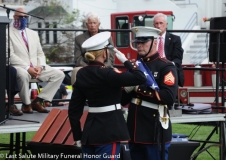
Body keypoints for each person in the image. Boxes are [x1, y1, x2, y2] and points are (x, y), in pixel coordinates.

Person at [68, 31, 146, 159]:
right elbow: (140, 77)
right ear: (104, 53)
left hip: (89, 133)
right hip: (110, 131)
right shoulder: (109, 74)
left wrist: (77, 135)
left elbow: (74, 110)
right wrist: (126, 61)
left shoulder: (81, 74)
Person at [121, 26, 178, 160]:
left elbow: (168, 97)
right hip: (134, 129)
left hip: (154, 130)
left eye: (143, 42)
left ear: (155, 42)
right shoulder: (135, 67)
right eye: (137, 42)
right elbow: (123, 100)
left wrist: (138, 89)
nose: (139, 46)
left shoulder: (166, 66)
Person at [8, 8, 65, 113]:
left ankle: (38, 101)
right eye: (21, 17)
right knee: (22, 74)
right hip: (20, 67)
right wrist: (27, 68)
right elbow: (10, 55)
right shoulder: (7, 32)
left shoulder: (33, 33)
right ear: (14, 17)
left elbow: (40, 53)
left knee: (59, 74)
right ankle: (26, 104)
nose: (24, 19)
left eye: (26, 17)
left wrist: (40, 66)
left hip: (36, 67)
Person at [71, 12, 115, 85]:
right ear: (86, 25)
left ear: (99, 24)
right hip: (86, 66)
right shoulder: (79, 39)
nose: (92, 25)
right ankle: (77, 95)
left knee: (115, 72)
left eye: (94, 23)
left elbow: (111, 57)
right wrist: (89, 67)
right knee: (76, 71)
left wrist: (104, 66)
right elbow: (78, 58)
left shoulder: (107, 37)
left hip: (104, 65)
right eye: (90, 23)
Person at [153, 13, 184, 87]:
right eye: (156, 23)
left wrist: (168, 65)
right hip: (153, 68)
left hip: (169, 68)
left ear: (166, 24)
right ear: (154, 25)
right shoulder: (150, 39)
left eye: (161, 23)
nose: (158, 26)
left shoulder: (175, 39)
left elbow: (178, 59)